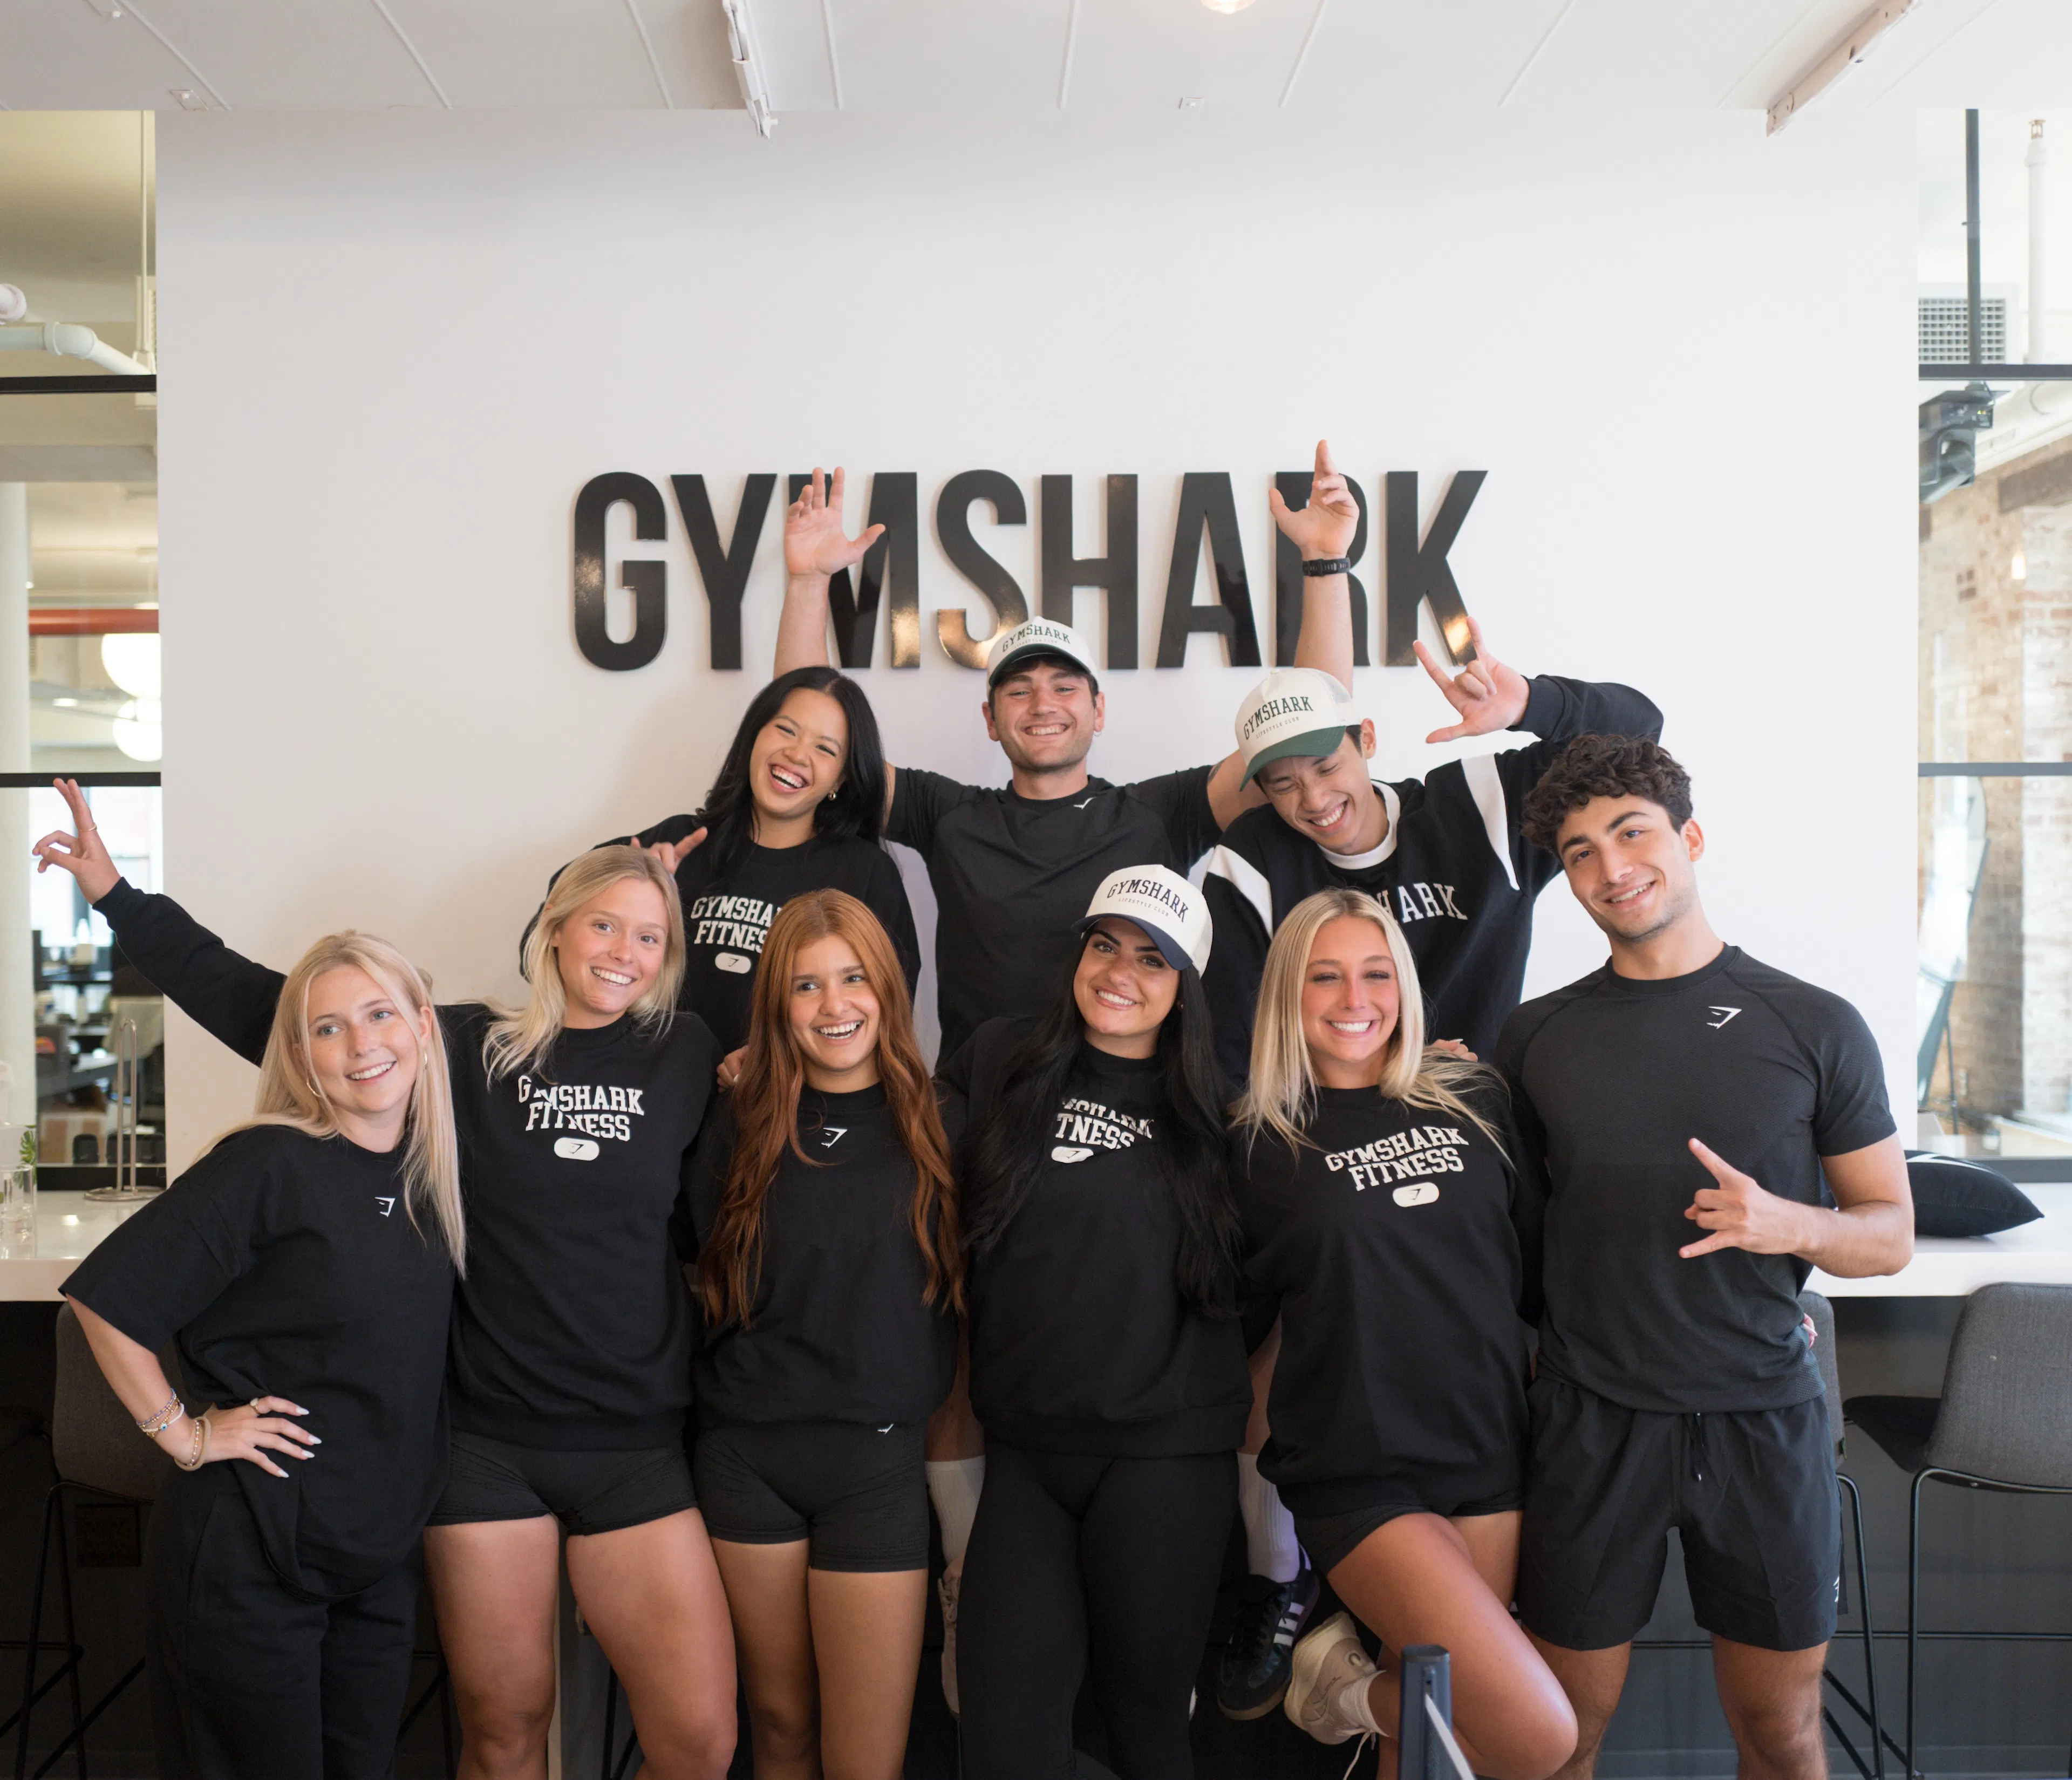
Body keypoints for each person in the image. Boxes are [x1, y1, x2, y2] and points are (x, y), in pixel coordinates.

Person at [33, 782, 737, 1780]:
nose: (624, 951)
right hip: (484, 1442)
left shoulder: (688, 1052)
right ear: (553, 925)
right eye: (603, 923)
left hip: (635, 1438)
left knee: (702, 1738)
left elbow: (729, 1197)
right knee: (504, 1728)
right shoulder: (460, 1049)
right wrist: (118, 897)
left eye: (650, 935)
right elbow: (267, 1003)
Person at [778, 451, 1358, 1648]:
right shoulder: (950, 813)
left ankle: (1260, 1582)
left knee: (1219, 1331)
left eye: (1064, 685)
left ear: (1099, 710)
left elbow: (1313, 721)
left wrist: (1324, 565)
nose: (1042, 702)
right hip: (985, 1117)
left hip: (1143, 1128)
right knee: (955, 1347)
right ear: (991, 718)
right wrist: (803, 583)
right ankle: (965, 1581)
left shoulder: (1156, 809)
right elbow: (807, 732)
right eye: (1018, 689)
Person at [1204, 632, 1660, 1720]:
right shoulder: (1246, 868)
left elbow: (1636, 735)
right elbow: (1236, 1055)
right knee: (1291, 1306)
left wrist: (1529, 701)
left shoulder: (1476, 803)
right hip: (1331, 1148)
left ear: (1368, 738)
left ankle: (1362, 1672)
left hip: (1471, 1135)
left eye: (1327, 763)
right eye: (1283, 781)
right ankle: (1278, 1575)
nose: (1313, 797)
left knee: (1449, 1707)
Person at [1495, 735, 1913, 1780]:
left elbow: (1889, 1232)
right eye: (1580, 851)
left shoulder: (1815, 1022)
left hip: (1762, 1418)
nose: (1611, 866)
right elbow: (1511, 1230)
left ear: (1690, 836)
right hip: (1593, 1420)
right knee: (1557, 1735)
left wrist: (1791, 1223)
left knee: (1780, 1732)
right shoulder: (1536, 1037)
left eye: (1631, 831)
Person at [61, 929, 462, 1780]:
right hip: (250, 1547)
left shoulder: (431, 1172)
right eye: (327, 1027)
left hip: (373, 1553)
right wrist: (186, 1434)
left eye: (380, 1013)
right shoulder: (268, 1162)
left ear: (424, 1025)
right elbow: (105, 1298)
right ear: (301, 1054)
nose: (361, 1044)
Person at [1231, 889, 1576, 1778]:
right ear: (1287, 991)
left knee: (1434, 1746)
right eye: (1326, 976)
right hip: (1358, 1467)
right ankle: (1341, 1692)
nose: (1356, 998)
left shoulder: (1476, 1095)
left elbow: (1542, 1266)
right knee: (1536, 1732)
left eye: (1377, 973)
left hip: (1489, 1449)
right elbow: (1229, 1318)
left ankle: (1367, 1699)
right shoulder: (1255, 1140)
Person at [942, 866, 1251, 1780]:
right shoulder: (1000, 1058)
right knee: (1003, 1750)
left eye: (1153, 959)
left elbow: (1274, 1271)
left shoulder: (1223, 1112)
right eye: (1105, 944)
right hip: (1025, 1455)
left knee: (1146, 1732)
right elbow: (898, 1133)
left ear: (1187, 985)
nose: (1120, 970)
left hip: (1166, 1460)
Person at [686, 890, 961, 1780]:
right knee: (779, 1725)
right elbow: (690, 1261)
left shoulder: (941, 1120)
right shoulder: (737, 1116)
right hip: (744, 1457)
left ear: (887, 987)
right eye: (806, 985)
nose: (834, 1004)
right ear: (778, 1003)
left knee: (867, 1755)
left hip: (875, 1463)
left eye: (853, 978)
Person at [535, 663, 921, 1060]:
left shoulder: (865, 873)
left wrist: (774, 1064)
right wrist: (627, 890)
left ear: (840, 779)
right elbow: (544, 937)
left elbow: (885, 1014)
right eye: (786, 730)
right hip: (654, 1090)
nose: (797, 754)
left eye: (825, 749)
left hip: (786, 1095)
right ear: (753, 737)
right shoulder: (677, 843)